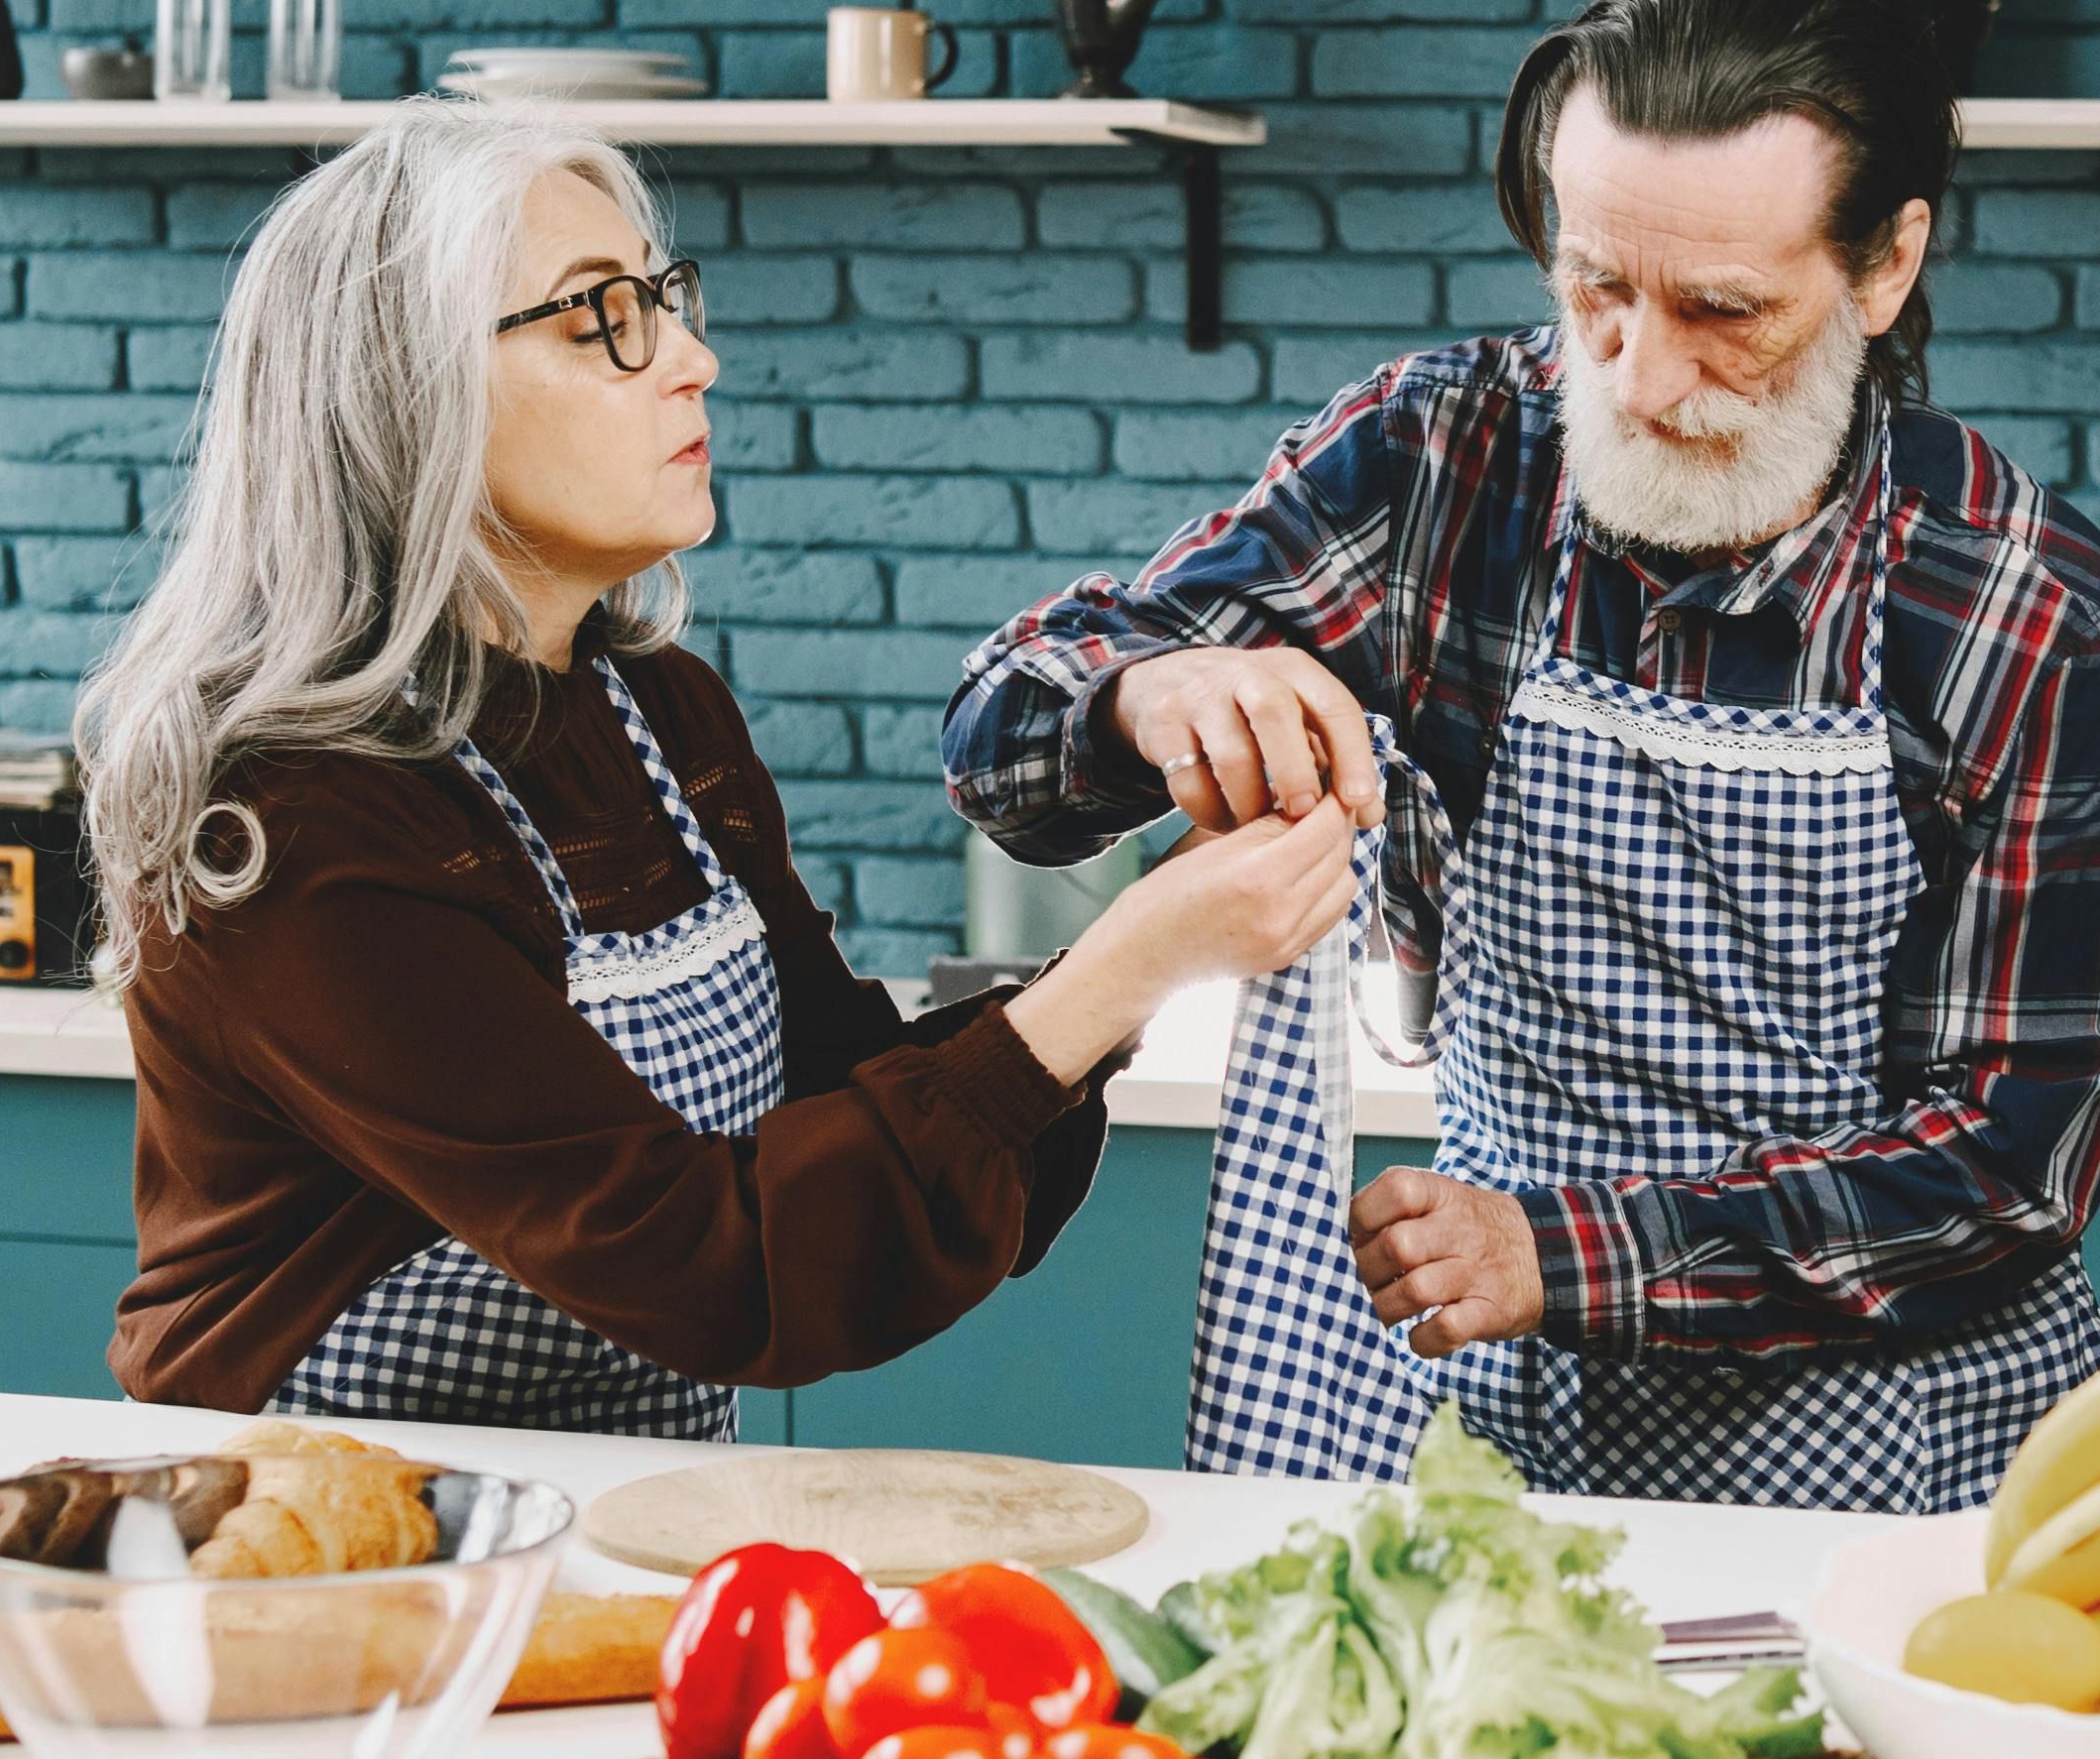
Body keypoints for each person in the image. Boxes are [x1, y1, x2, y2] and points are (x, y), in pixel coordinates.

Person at [946, 0, 2100, 1511]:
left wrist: (1565, 1253)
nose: (1641, 376)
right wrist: (1144, 695)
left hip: (1892, 1465)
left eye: (1721, 309)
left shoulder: (2017, 599)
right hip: (1498, 1428)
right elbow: (999, 739)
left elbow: (2015, 1163)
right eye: (1593, 284)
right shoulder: (1438, 459)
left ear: (1881, 266)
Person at [86, 102, 1352, 1434]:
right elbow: (718, 1264)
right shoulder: (292, 813)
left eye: (663, 300)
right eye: (602, 318)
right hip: (319, 1541)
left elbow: (843, 1110)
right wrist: (1128, 964)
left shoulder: (661, 715)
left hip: (613, 1506)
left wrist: (1155, 929)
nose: (692, 357)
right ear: (409, 393)